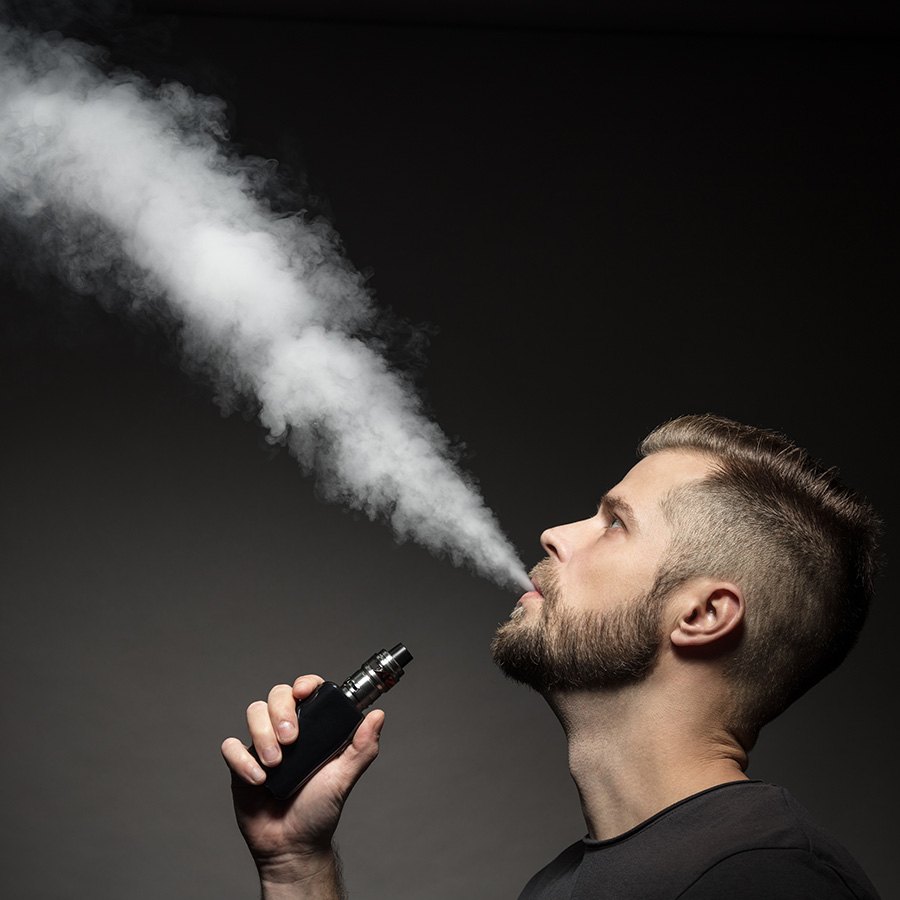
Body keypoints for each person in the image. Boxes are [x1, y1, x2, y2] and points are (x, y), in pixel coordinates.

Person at [221, 414, 883, 899]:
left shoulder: (768, 883)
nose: (555, 534)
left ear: (703, 616)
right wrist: (297, 867)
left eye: (615, 522)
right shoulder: (563, 885)